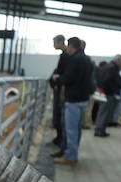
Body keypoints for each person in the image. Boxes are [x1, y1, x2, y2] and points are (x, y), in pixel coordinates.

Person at [52, 37, 93, 165]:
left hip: (73, 99)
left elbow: (68, 78)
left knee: (71, 130)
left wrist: (57, 78)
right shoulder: (87, 59)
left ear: (71, 46)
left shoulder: (75, 60)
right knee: (76, 129)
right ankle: (72, 153)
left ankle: (70, 156)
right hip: (83, 98)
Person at [94, 55, 121, 137]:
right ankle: (99, 131)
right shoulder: (112, 68)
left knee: (102, 112)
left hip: (103, 92)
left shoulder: (109, 66)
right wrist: (114, 90)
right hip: (107, 93)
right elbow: (108, 81)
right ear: (118, 60)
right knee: (104, 112)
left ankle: (100, 130)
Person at [49, 34, 69, 148]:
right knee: (58, 115)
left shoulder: (66, 56)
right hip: (60, 89)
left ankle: (60, 139)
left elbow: (63, 73)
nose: (53, 45)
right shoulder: (64, 55)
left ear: (60, 42)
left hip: (61, 91)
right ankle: (59, 138)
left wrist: (57, 82)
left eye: (54, 42)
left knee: (59, 114)